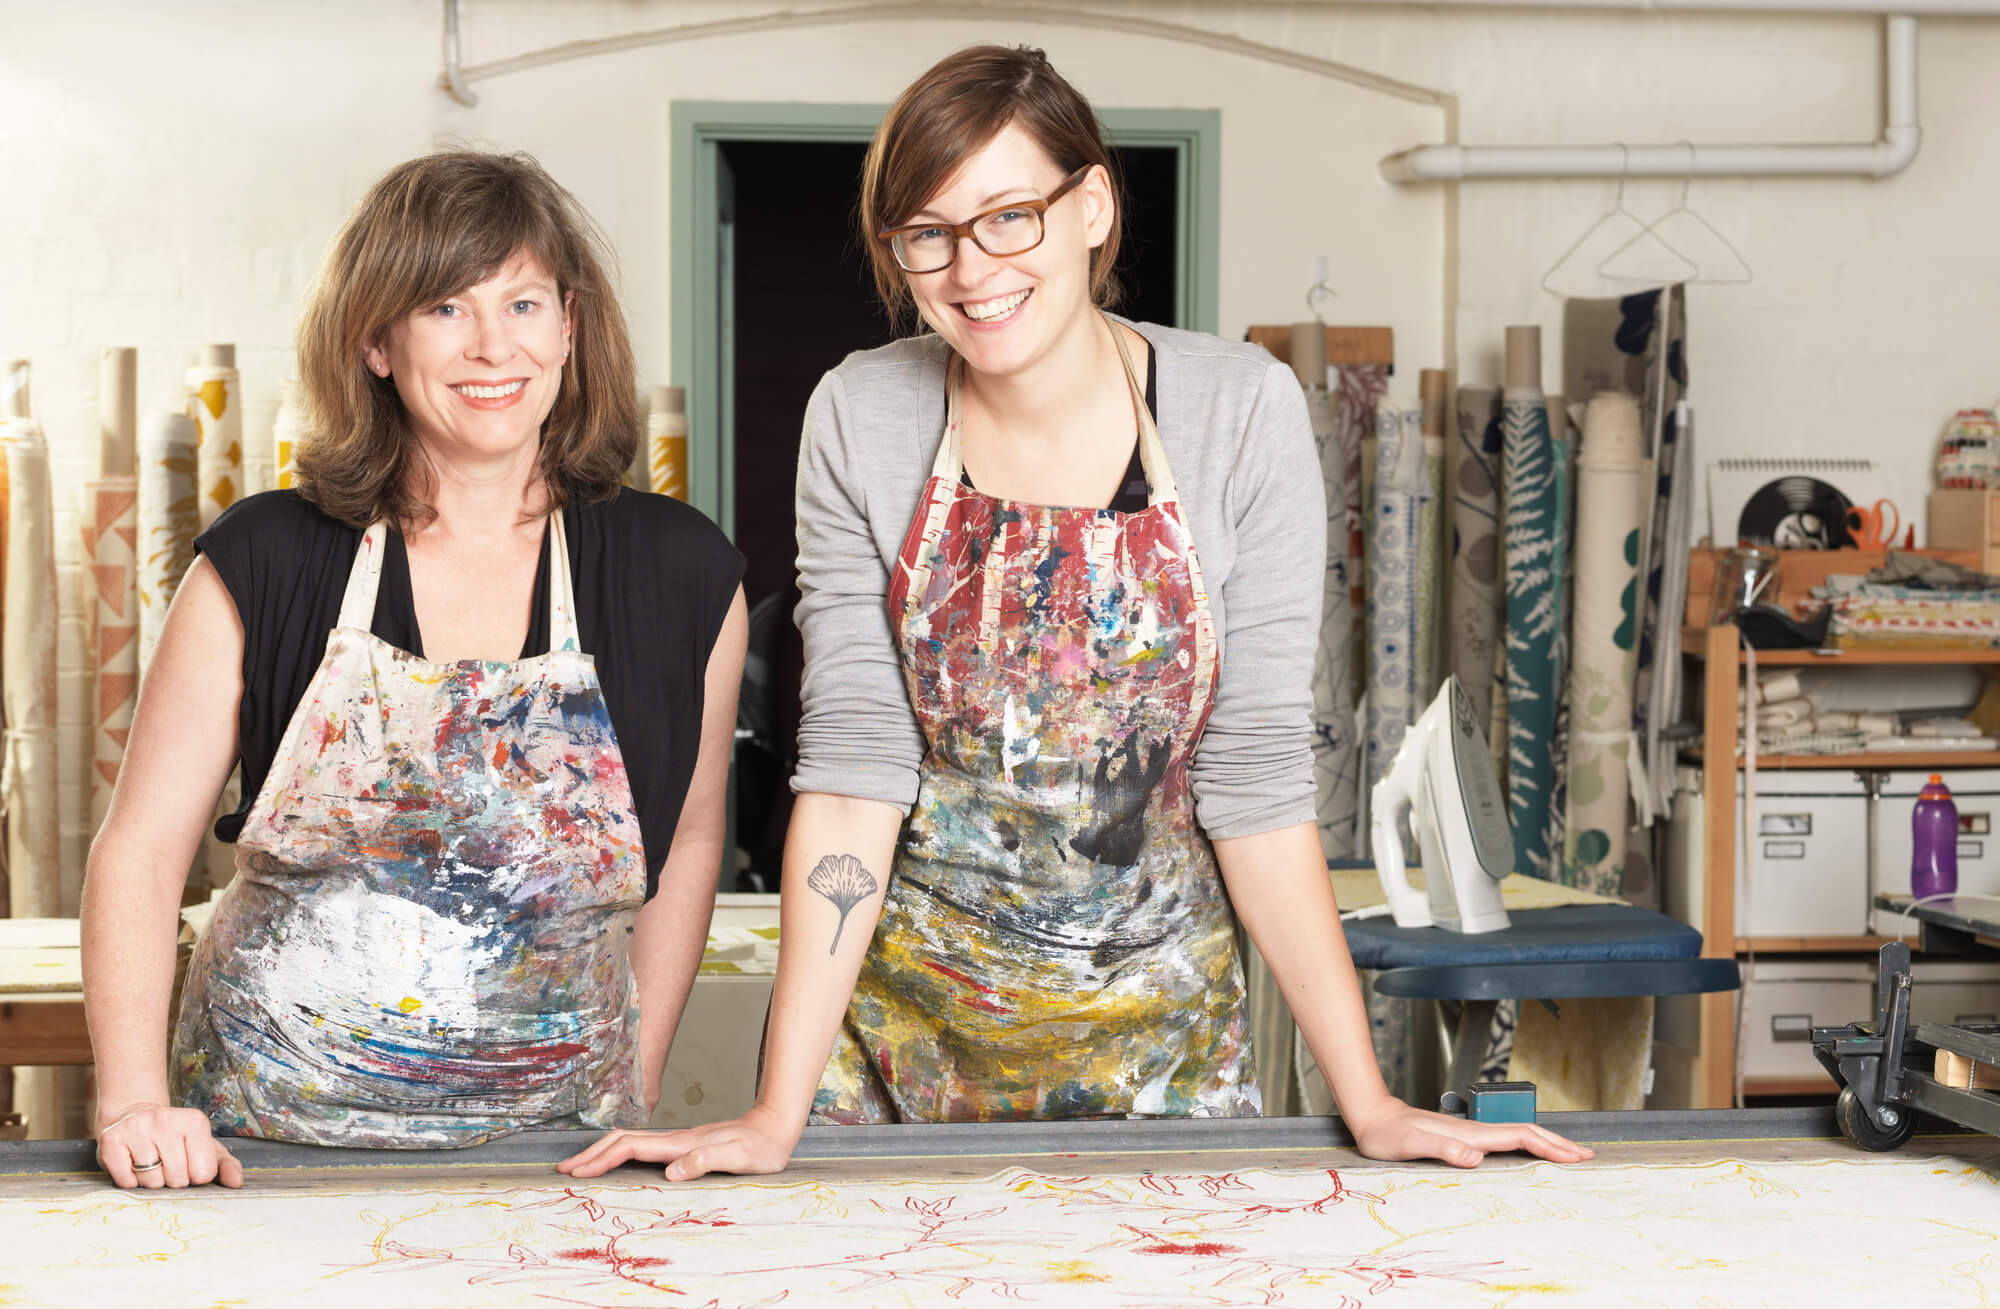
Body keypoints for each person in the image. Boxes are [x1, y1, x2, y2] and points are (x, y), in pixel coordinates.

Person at [562, 46, 1586, 1185]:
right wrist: (773, 1114)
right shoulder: (862, 414)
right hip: (899, 1072)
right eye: (927, 235)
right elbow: (854, 777)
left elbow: (1251, 787)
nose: (968, 269)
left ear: (1089, 205)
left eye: (1008, 217)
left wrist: (1371, 1101)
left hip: (1166, 1072)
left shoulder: (1236, 412)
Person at [85, 151, 746, 1189]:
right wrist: (133, 1102)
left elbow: (693, 836)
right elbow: (138, 852)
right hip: (262, 1147)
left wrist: (635, 1081)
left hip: (560, 1151)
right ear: (376, 341)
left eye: (523, 302)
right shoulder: (264, 559)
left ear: (568, 328)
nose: (494, 346)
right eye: (445, 307)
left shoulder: (681, 571)